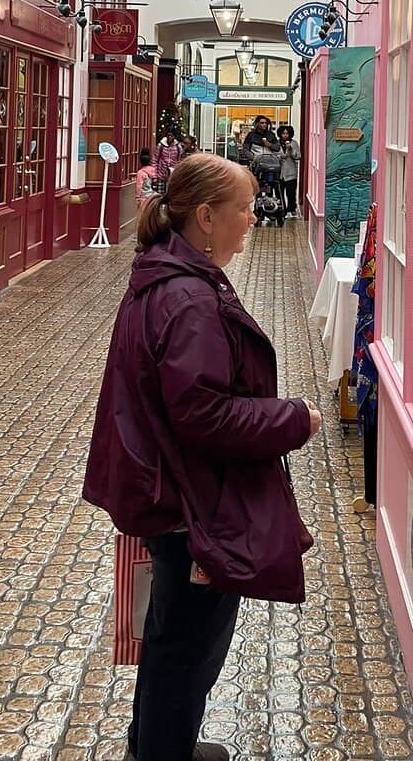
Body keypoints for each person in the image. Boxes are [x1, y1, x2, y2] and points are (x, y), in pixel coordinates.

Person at [83, 155, 322, 761]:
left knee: (172, 639)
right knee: (189, 648)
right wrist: (294, 418)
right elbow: (202, 415)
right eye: (243, 207)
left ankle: (155, 746)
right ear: (207, 217)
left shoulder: (169, 275)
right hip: (189, 502)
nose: (253, 217)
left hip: (171, 489)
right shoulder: (188, 298)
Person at [277, 124, 301, 217]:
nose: (285, 135)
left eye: (287, 133)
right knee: (280, 192)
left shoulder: (294, 143)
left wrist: (291, 149)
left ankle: (291, 208)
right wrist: (280, 157)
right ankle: (282, 209)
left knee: (291, 192)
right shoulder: (276, 143)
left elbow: (298, 156)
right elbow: (273, 155)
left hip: (291, 172)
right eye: (283, 133)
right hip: (279, 172)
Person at [151, 125, 182, 195]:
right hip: (160, 176)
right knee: (159, 197)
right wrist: (154, 176)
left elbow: (179, 161)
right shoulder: (160, 146)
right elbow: (155, 160)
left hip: (172, 176)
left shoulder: (178, 147)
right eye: (168, 135)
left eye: (172, 136)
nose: (170, 137)